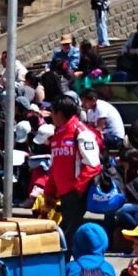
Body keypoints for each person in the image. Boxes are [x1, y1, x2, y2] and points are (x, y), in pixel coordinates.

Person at [43, 96, 101, 246]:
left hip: (76, 194)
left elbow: (93, 165)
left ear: (60, 114)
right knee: (66, 236)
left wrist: (77, 190)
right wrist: (49, 192)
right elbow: (55, 166)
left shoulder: (82, 132)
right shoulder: (58, 135)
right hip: (63, 194)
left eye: (53, 113)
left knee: (67, 237)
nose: (51, 116)